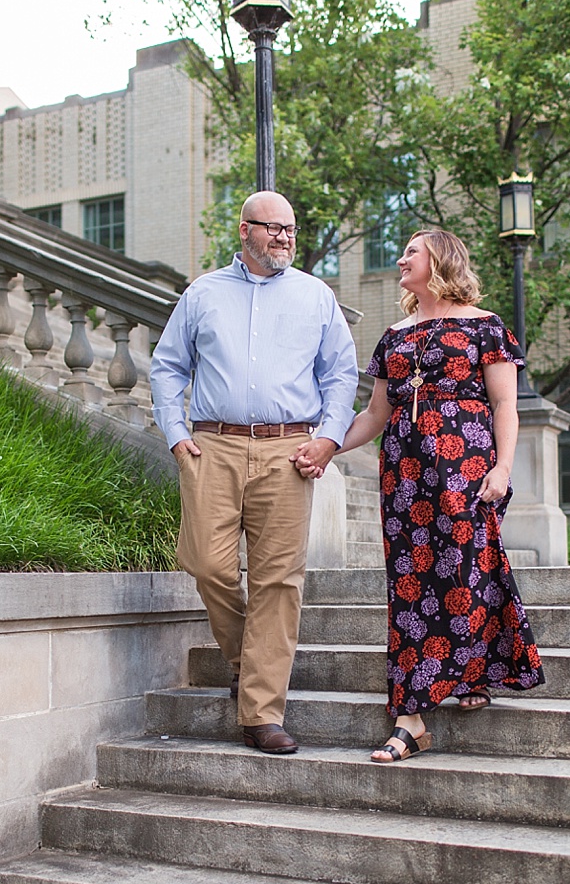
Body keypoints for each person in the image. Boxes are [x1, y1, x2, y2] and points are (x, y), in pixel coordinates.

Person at [149, 190, 359, 755]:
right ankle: (250, 661)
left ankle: (261, 713)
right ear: (245, 230)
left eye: (291, 229)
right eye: (273, 229)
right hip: (212, 446)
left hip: (289, 450)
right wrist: (176, 432)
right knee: (207, 564)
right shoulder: (203, 294)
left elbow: (341, 373)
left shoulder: (316, 296)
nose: (285, 238)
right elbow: (168, 367)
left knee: (277, 581)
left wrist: (329, 438)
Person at [331, 228, 544, 762]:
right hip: (403, 471)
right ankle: (410, 718)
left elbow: (504, 407)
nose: (401, 259)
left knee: (467, 567)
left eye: (411, 252)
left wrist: (502, 468)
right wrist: (326, 446)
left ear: (440, 261)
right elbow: (377, 414)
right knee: (410, 583)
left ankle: (472, 668)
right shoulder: (394, 335)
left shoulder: (486, 328)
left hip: (466, 463)